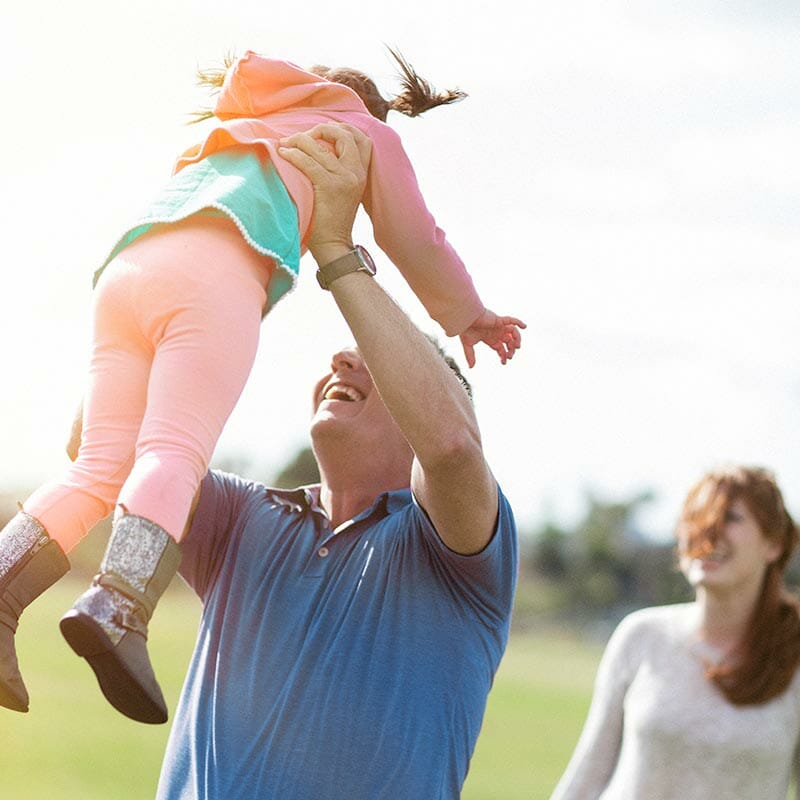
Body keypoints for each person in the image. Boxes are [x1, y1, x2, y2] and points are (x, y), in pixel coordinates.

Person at [0, 50, 524, 724]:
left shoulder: (236, 126)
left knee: (101, 462)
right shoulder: (366, 133)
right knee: (173, 451)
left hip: (127, 267)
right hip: (217, 270)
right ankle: (119, 603)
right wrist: (467, 314)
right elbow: (414, 235)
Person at [146, 123, 519, 798]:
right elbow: (107, 441)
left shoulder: (459, 552)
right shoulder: (237, 517)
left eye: (373, 357)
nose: (344, 358)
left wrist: (337, 251)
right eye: (345, 353)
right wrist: (219, 239)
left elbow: (452, 443)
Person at [551, 465, 800, 800]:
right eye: (696, 517)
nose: (707, 531)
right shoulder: (641, 635)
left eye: (731, 518)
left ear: (774, 544)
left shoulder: (794, 657)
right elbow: (585, 777)